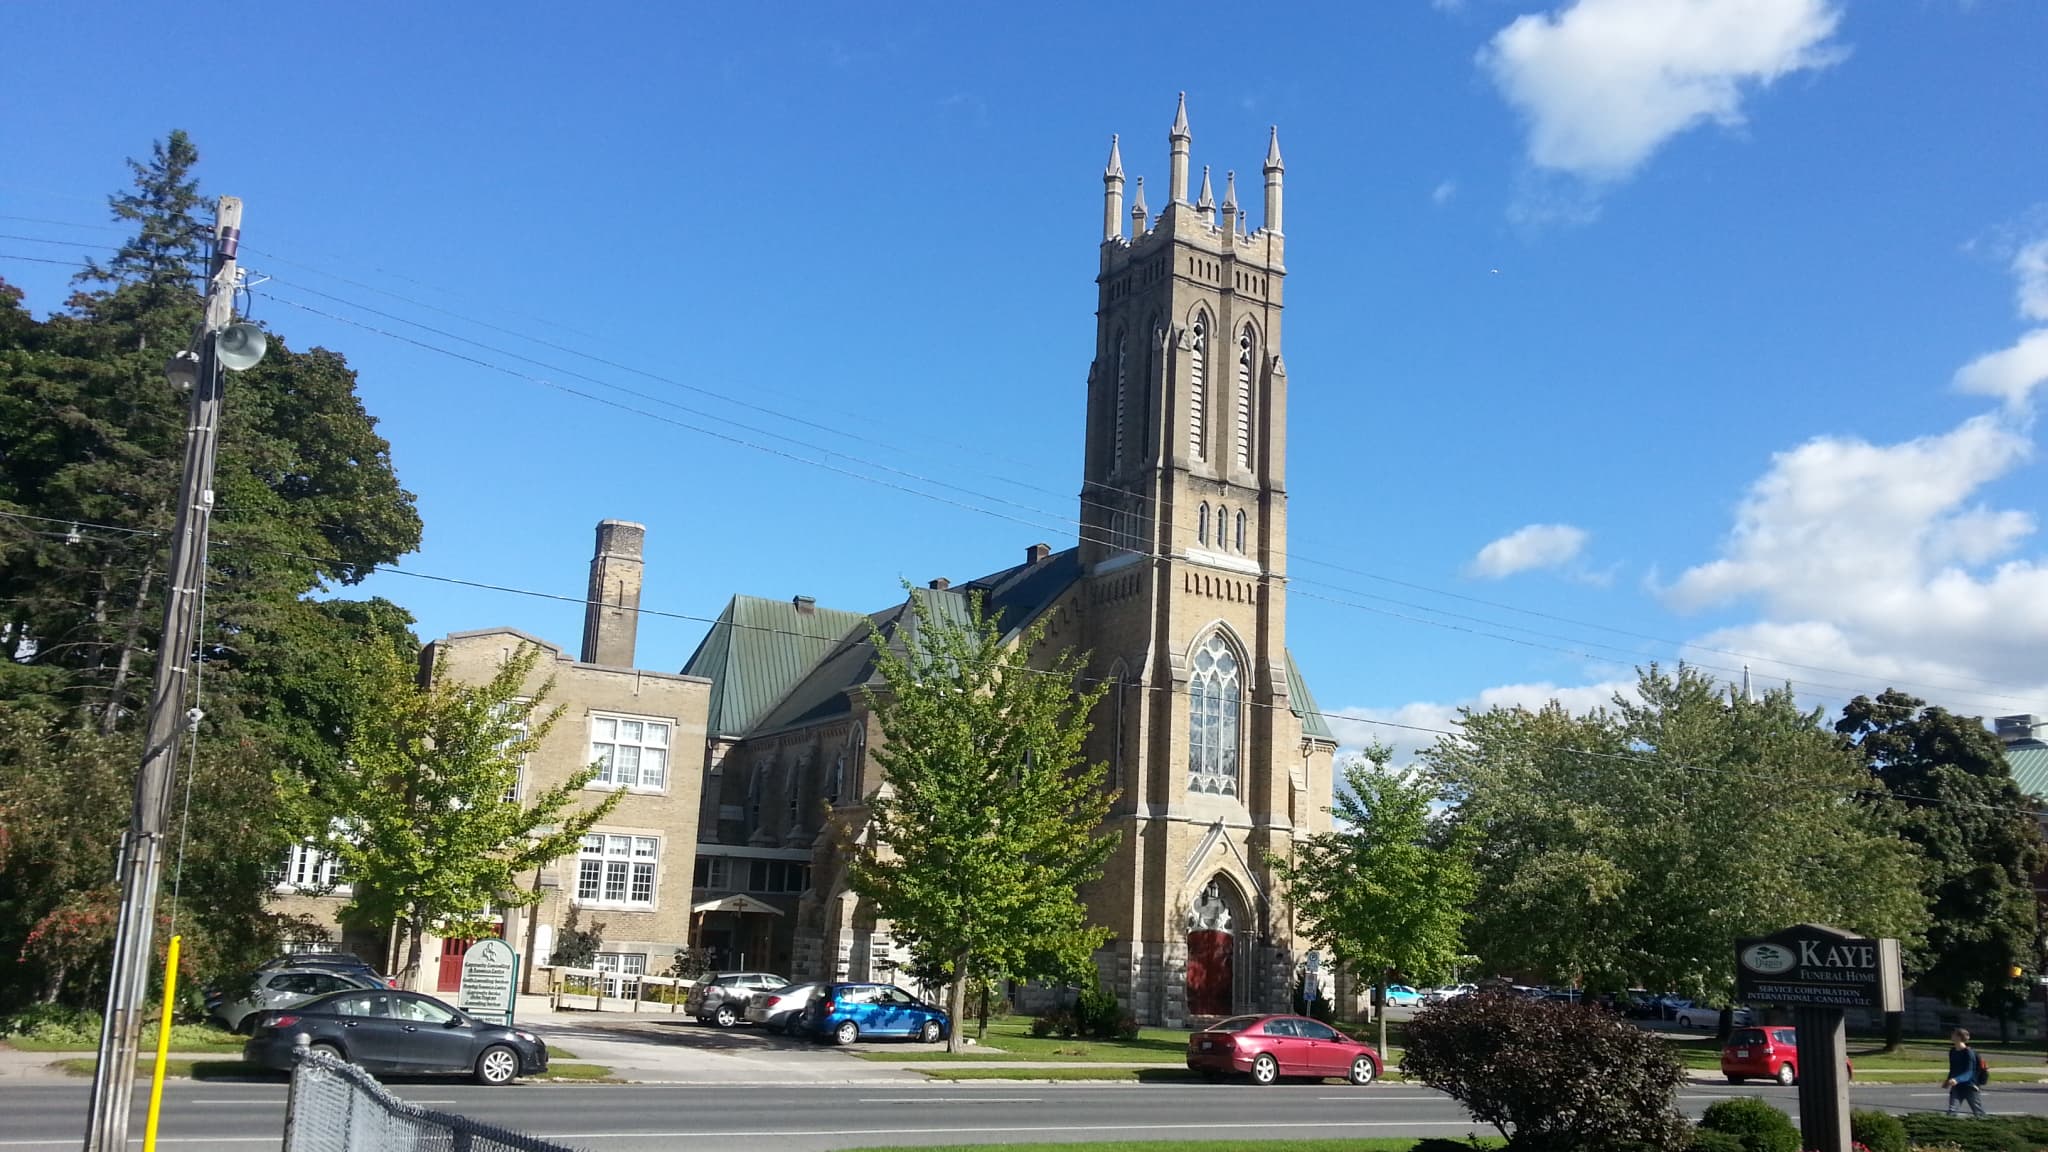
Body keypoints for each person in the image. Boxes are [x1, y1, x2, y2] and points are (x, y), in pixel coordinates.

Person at [1944, 1027, 1988, 1118]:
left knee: (1978, 1113)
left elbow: (1969, 1072)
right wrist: (1947, 1080)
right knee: (1952, 1111)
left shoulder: (1968, 1052)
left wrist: (1957, 1079)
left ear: (1959, 1037)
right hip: (1957, 1086)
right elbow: (1953, 1068)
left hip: (1970, 1086)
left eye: (1954, 1034)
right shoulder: (1952, 1051)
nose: (1951, 1035)